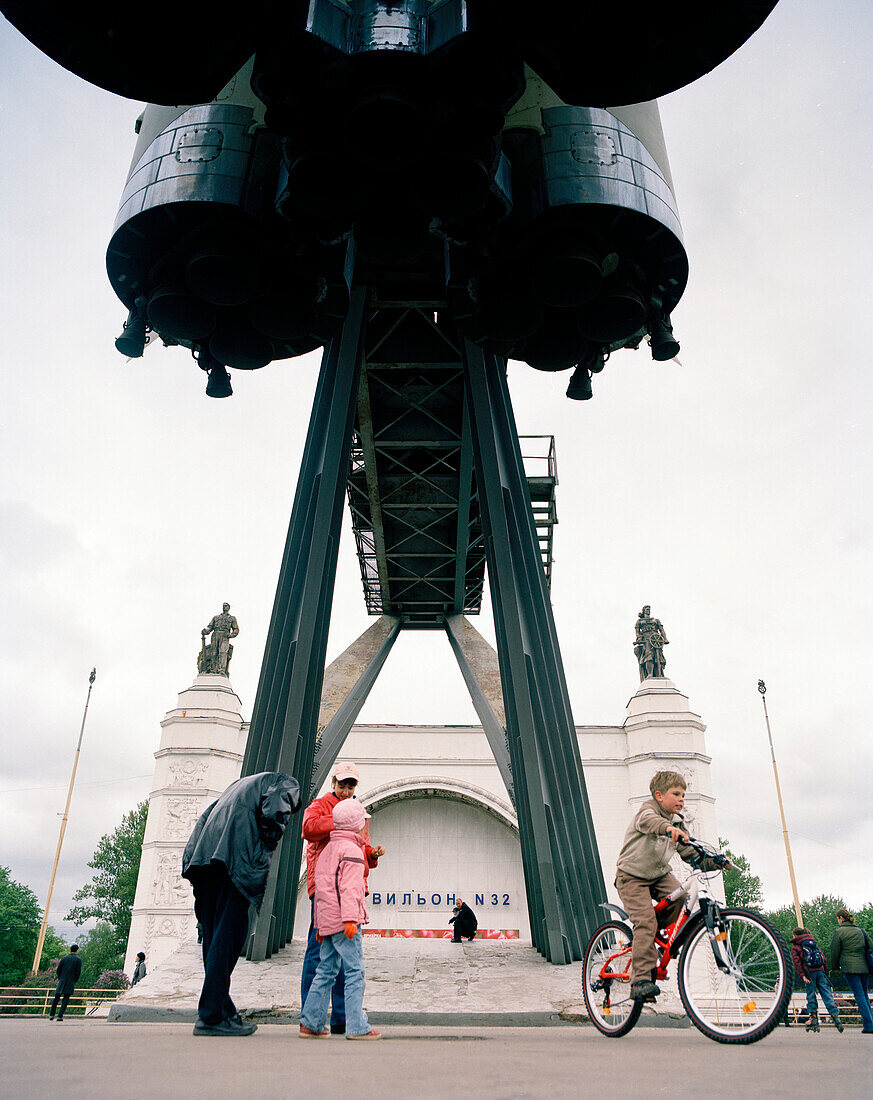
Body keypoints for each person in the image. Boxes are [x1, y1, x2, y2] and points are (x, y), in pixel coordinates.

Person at [182, 771, 300, 1037]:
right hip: (235, 862)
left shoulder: (235, 787)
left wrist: (190, 865)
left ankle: (223, 1010)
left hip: (205, 862)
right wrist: (266, 847)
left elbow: (202, 820)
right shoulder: (287, 783)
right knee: (230, 936)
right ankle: (211, 1016)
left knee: (214, 939)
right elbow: (275, 813)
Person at [614, 770, 725, 1001]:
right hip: (631, 876)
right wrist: (667, 828)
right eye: (676, 794)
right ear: (659, 795)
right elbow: (648, 822)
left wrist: (716, 862)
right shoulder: (648, 811)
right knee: (645, 921)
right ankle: (640, 981)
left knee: (682, 901)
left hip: (659, 875)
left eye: (684, 795)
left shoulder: (678, 823)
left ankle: (651, 939)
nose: (682, 799)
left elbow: (690, 854)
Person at [300, 762, 383, 1035]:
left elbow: (362, 853)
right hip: (341, 905)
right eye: (342, 785)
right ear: (333, 783)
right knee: (351, 968)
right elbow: (348, 886)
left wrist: (370, 855)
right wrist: (350, 919)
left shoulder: (336, 844)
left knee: (327, 964)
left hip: (324, 899)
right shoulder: (325, 809)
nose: (346, 790)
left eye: (351, 786)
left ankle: (316, 1021)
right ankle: (354, 1024)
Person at [790, 926, 844, 1033]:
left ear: (795, 935)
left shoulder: (796, 947)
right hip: (820, 972)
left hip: (809, 973)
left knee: (811, 995)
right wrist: (823, 970)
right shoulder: (813, 943)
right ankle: (836, 1018)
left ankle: (814, 1019)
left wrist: (802, 975)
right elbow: (823, 958)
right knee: (826, 994)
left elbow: (797, 963)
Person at [830, 908, 873, 1033]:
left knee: (859, 995)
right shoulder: (861, 931)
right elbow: (871, 946)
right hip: (864, 968)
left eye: (837, 918)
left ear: (841, 918)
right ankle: (870, 1023)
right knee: (864, 995)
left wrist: (835, 967)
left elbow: (834, 952)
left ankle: (869, 1026)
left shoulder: (839, 932)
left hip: (849, 968)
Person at [49, 944, 81, 1021]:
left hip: (62, 980)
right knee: (65, 999)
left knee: (56, 998)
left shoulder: (64, 958)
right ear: (77, 950)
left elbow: (58, 970)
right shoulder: (78, 959)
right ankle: (60, 1016)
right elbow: (78, 972)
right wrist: (74, 980)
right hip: (70, 981)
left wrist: (61, 978)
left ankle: (52, 1014)